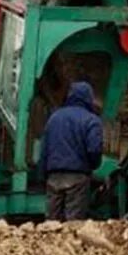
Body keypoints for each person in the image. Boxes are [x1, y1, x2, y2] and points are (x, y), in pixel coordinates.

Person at [39, 81, 103, 221]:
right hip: (77, 177)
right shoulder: (92, 120)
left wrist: (44, 174)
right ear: (88, 98)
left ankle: (50, 243)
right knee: (73, 222)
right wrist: (92, 166)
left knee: (51, 223)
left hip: (53, 177)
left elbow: (44, 149)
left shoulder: (54, 118)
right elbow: (94, 149)